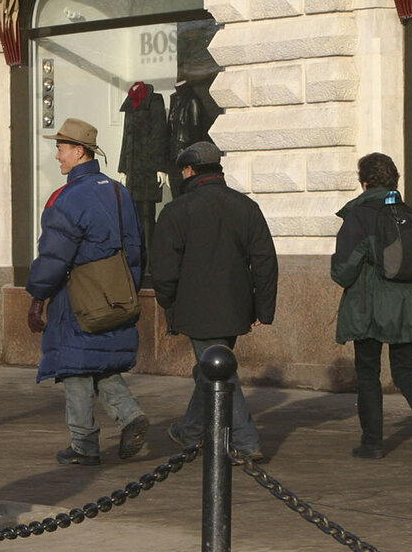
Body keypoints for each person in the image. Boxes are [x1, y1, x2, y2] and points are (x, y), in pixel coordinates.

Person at [26, 118, 150, 466]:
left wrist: (38, 297)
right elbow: (137, 247)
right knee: (100, 360)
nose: (57, 157)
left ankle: (83, 445)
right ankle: (130, 416)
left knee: (76, 366)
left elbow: (53, 256)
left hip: (77, 296)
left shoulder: (67, 198)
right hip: (115, 292)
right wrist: (127, 288)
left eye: (61, 149)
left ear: (79, 152)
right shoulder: (117, 190)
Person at [149, 141, 278, 465]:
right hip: (235, 307)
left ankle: (246, 441)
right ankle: (191, 431)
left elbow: (163, 269)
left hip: (196, 308)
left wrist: (169, 303)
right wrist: (263, 307)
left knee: (220, 373)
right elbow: (264, 260)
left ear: (190, 170)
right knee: (212, 368)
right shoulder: (245, 206)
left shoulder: (177, 210)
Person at [331, 152, 412, 460]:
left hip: (369, 307)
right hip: (410, 305)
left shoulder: (359, 216)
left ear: (365, 182)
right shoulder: (410, 214)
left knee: (368, 372)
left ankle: (372, 443)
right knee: (405, 371)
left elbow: (342, 271)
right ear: (394, 181)